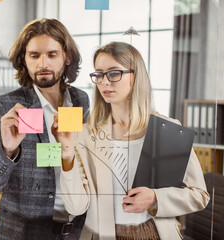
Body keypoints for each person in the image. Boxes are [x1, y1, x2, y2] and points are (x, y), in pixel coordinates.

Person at [52, 42, 210, 240]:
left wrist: (155, 198)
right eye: (99, 74)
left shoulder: (168, 129)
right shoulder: (86, 134)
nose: (105, 82)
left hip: (157, 234)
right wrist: (66, 154)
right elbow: (76, 206)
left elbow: (199, 195)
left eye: (114, 73)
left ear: (136, 77)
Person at [0, 18, 90, 239]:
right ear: (23, 59)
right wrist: (7, 151)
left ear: (67, 57)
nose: (43, 64)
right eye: (34, 55)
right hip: (23, 233)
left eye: (52, 55)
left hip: (76, 230)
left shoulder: (81, 100)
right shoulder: (5, 107)